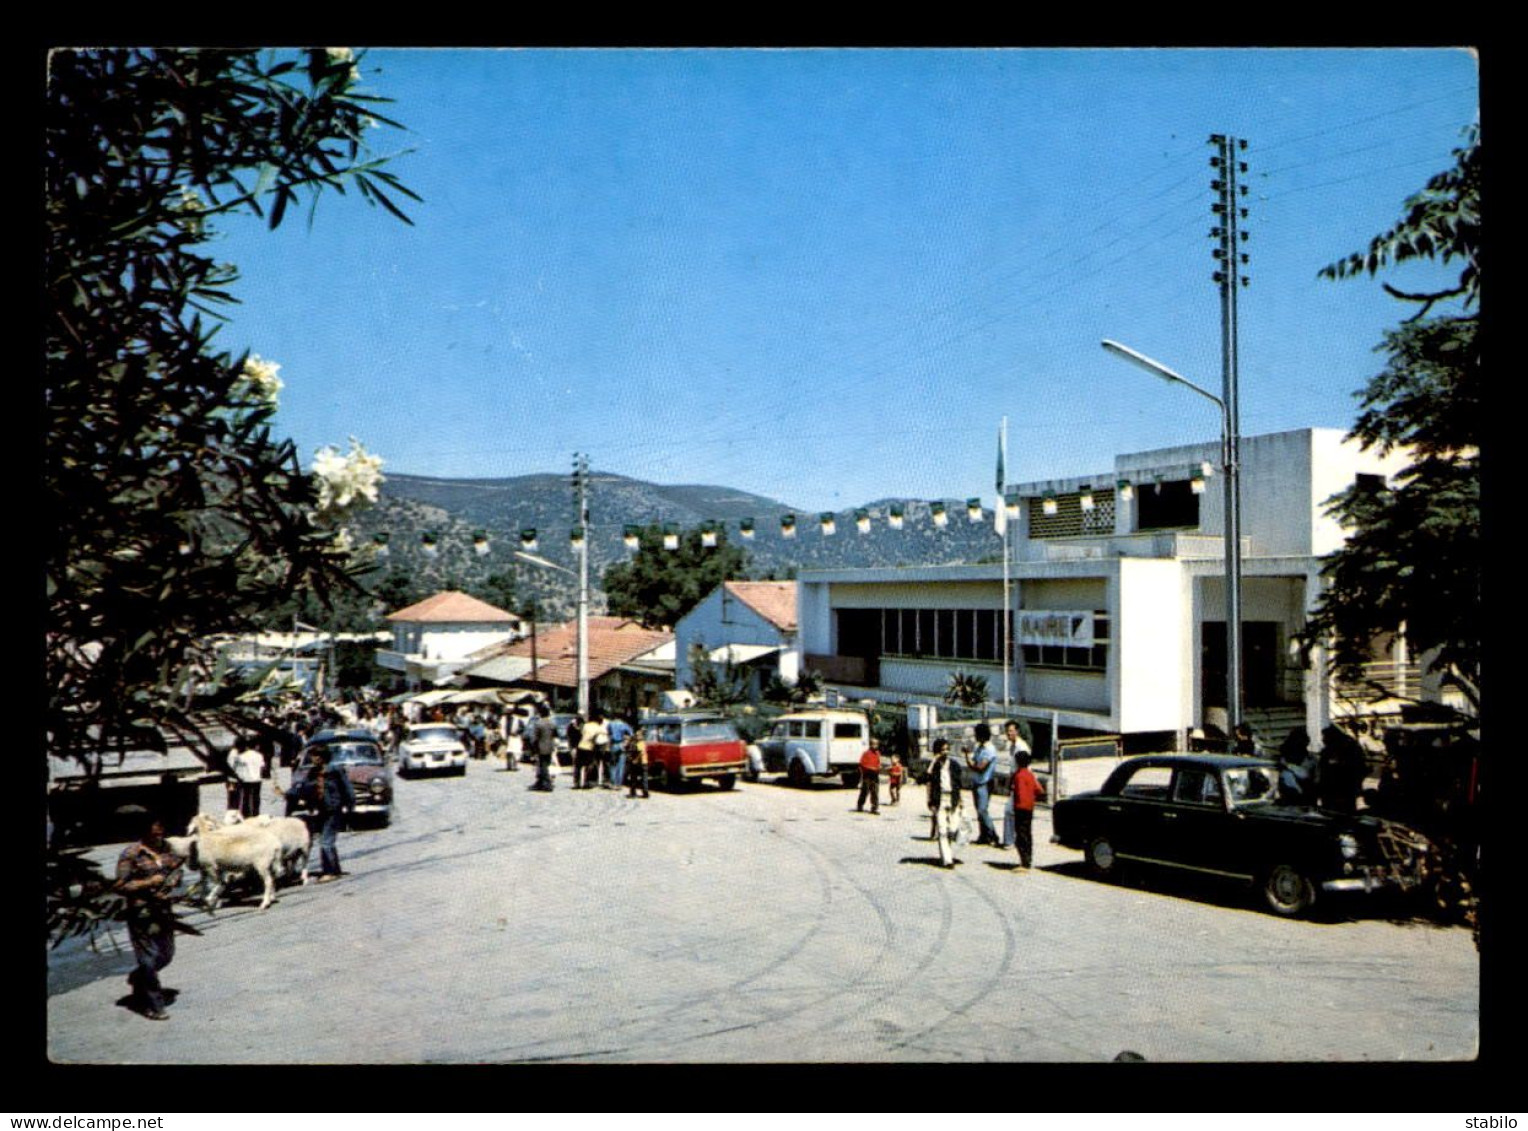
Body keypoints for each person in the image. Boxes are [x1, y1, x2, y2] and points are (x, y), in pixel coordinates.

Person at [114, 816, 186, 1020]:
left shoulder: (167, 847)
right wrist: (148, 882)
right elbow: (120, 886)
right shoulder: (131, 854)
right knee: (148, 957)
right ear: (144, 833)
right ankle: (152, 1005)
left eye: (160, 831)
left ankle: (138, 978)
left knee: (166, 954)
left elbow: (176, 869)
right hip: (140, 912)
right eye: (154, 832)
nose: (158, 835)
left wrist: (172, 881)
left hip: (163, 910)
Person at [311, 747, 355, 882]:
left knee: (325, 841)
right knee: (327, 839)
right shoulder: (314, 772)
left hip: (334, 809)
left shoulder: (335, 770)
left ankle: (330, 872)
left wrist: (350, 806)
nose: (312, 759)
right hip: (322, 809)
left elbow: (347, 788)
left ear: (322, 757)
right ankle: (335, 869)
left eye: (315, 756)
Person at [926, 739, 964, 869]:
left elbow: (958, 785)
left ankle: (947, 852)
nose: (945, 752)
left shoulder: (954, 765)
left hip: (952, 799)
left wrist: (961, 800)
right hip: (939, 799)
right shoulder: (934, 767)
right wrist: (933, 762)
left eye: (947, 749)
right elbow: (925, 779)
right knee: (942, 830)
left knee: (952, 829)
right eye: (942, 750)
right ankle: (947, 859)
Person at [1007, 749, 1047, 870]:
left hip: (1020, 808)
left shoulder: (1018, 776)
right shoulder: (1030, 775)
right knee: (1027, 834)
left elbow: (1017, 792)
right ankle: (1028, 859)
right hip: (1029, 808)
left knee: (1020, 835)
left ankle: (1024, 862)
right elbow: (1040, 790)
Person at [965, 723, 1000, 846]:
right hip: (977, 781)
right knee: (979, 810)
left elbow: (980, 767)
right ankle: (984, 835)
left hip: (985, 782)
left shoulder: (989, 749)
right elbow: (973, 763)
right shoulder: (978, 747)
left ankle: (993, 835)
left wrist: (971, 763)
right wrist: (967, 756)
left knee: (982, 810)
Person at [232, 738, 266, 819]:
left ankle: (246, 816)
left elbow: (236, 769)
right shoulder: (259, 755)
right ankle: (256, 814)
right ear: (256, 746)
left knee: (245, 799)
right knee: (256, 798)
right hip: (257, 779)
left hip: (246, 780)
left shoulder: (241, 756)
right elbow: (262, 767)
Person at [526, 701, 557, 792]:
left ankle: (547, 784)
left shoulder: (538, 724)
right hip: (550, 747)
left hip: (541, 747)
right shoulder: (552, 723)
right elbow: (555, 735)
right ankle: (539, 782)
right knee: (544, 765)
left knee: (543, 766)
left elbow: (534, 738)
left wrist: (532, 749)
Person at [856, 736, 882, 814]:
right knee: (865, 791)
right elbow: (862, 764)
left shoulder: (878, 753)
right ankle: (860, 805)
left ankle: (874, 807)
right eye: (873, 744)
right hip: (867, 776)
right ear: (870, 745)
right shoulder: (866, 753)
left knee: (875, 791)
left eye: (877, 744)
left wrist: (879, 767)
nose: (875, 746)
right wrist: (871, 768)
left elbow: (878, 763)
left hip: (875, 776)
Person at [606, 714, 633, 788]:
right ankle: (619, 784)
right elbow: (631, 734)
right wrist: (626, 743)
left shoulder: (610, 724)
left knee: (613, 764)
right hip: (622, 744)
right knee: (621, 765)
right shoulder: (624, 725)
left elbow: (608, 734)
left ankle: (613, 782)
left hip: (613, 744)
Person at [624, 727, 650, 798]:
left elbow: (641, 753)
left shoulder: (640, 743)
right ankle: (645, 793)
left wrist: (635, 760)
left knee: (634, 777)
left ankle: (634, 792)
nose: (637, 736)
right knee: (642, 778)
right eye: (636, 735)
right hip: (644, 762)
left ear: (642, 736)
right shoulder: (640, 742)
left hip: (640, 763)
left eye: (638, 735)